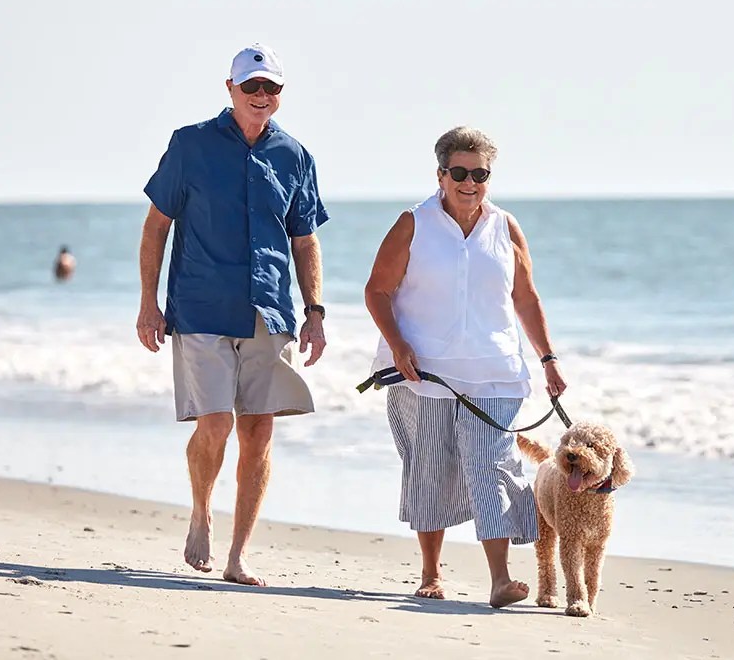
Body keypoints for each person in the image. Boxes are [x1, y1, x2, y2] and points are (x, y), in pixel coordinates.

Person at [137, 43, 329, 586]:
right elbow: (156, 227)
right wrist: (148, 303)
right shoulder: (190, 145)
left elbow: (305, 240)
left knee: (259, 433)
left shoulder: (294, 156)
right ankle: (201, 511)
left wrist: (314, 311)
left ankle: (238, 556)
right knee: (216, 423)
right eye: (252, 86)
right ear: (231, 89)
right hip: (201, 307)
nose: (261, 95)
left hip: (269, 310)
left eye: (271, 87)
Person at [364, 126, 567, 608]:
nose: (470, 183)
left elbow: (525, 297)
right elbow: (377, 290)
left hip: (495, 370)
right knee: (430, 467)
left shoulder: (506, 227)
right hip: (425, 373)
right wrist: (397, 345)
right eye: (459, 173)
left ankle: (500, 579)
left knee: (490, 465)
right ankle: (430, 572)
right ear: (440, 174)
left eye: (480, 174)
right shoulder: (413, 223)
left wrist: (548, 358)